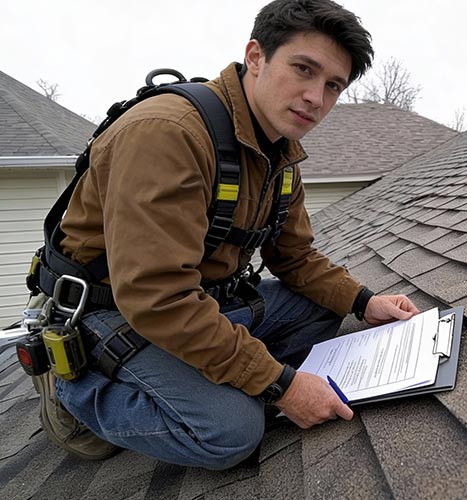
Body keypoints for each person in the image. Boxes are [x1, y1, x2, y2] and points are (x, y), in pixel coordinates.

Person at [33, 0, 419, 470]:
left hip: (202, 301)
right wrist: (281, 385)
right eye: (303, 69)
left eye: (333, 85)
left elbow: (295, 259)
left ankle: (208, 368)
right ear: (256, 57)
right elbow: (156, 297)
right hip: (111, 311)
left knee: (325, 309)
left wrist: (363, 301)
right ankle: (74, 394)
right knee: (231, 431)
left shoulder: (278, 152)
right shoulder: (168, 134)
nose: (316, 97)